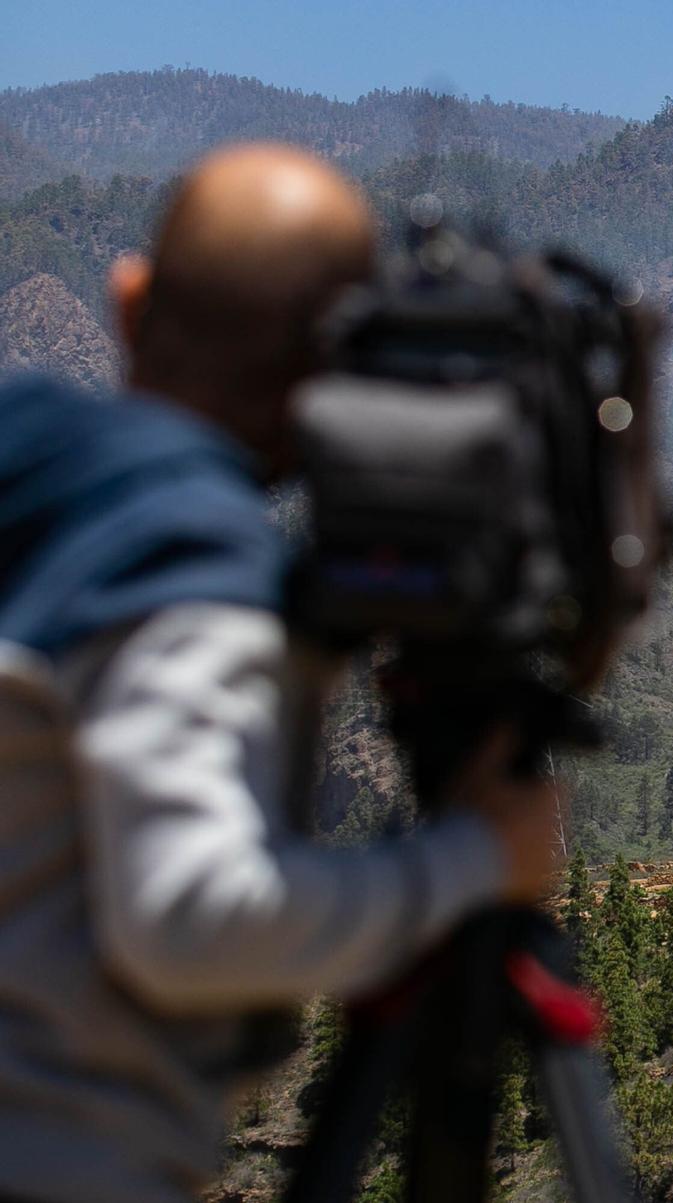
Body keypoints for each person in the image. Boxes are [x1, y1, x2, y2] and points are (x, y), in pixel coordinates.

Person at [0, 145, 565, 1202]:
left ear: (127, 303)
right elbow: (189, 917)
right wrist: (475, 860)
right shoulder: (183, 561)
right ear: (340, 381)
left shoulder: (32, 471)